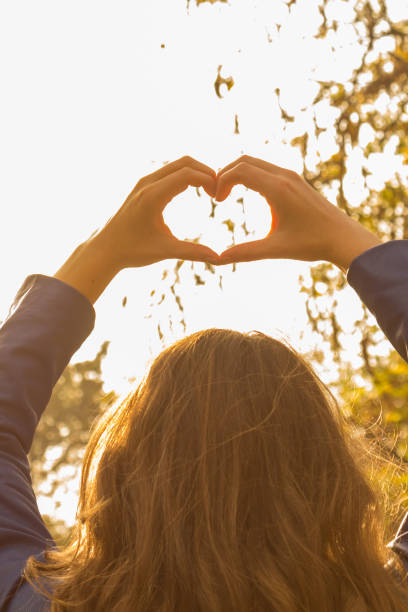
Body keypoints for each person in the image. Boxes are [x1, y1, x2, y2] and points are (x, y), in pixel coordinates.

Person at [0, 154, 407, 611]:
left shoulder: (40, 604)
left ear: (124, 472)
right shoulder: (387, 599)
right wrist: (346, 240)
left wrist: (99, 255)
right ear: (328, 472)